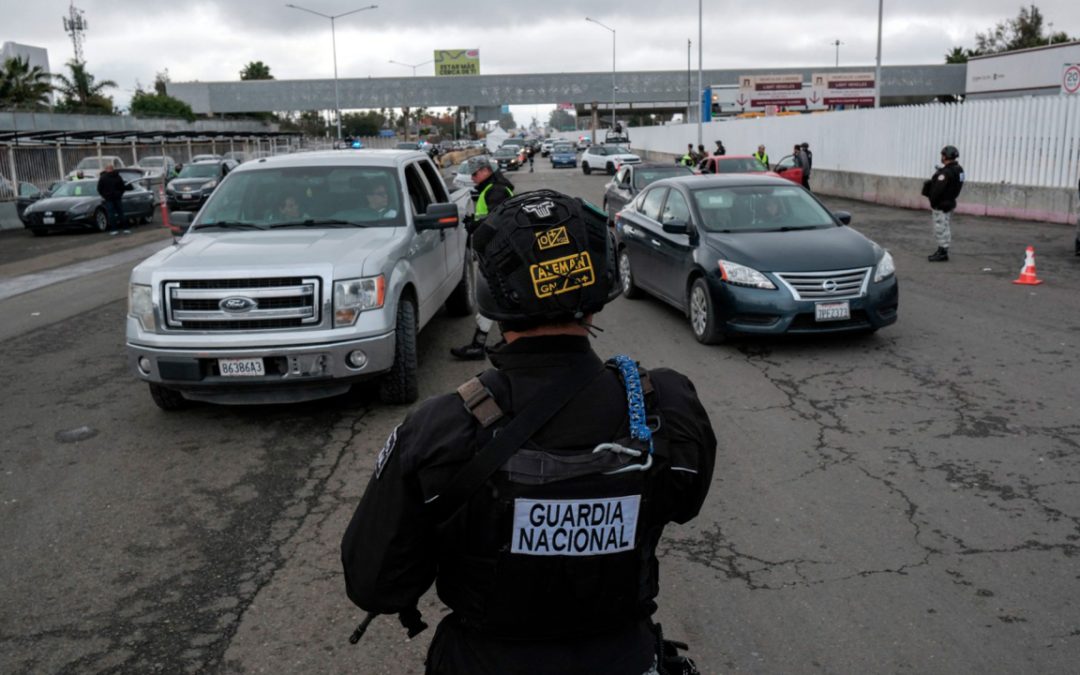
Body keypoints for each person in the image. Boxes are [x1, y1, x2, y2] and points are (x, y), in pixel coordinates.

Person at [341, 189, 717, 675]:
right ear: (598, 290)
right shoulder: (666, 404)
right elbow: (684, 503)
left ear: (491, 296)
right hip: (623, 657)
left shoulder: (439, 428)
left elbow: (375, 583)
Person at [450, 155, 515, 360]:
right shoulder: (492, 188)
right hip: (495, 252)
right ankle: (500, 342)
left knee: (495, 297)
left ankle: (484, 345)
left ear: (487, 171)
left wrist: (475, 226)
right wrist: (475, 221)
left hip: (498, 254)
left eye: (476, 173)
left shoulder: (496, 190)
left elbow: (497, 220)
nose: (473, 177)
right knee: (499, 298)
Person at [925, 145, 965, 262]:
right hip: (950, 202)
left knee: (940, 227)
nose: (941, 157)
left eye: (942, 155)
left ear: (946, 156)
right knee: (945, 226)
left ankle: (942, 252)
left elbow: (937, 190)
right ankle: (943, 249)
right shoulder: (959, 170)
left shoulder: (946, 173)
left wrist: (933, 201)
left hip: (941, 204)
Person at [96, 163, 128, 235]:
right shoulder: (117, 176)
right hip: (116, 198)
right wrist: (119, 194)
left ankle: (114, 229)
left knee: (111, 214)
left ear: (106, 169)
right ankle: (125, 228)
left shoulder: (103, 177)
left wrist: (105, 196)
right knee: (120, 213)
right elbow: (122, 187)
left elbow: (99, 189)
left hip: (109, 198)